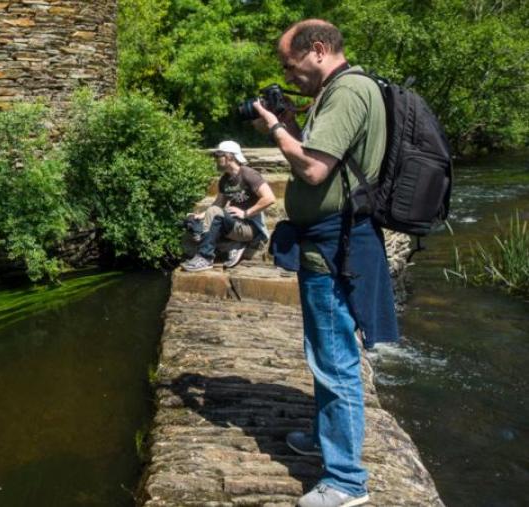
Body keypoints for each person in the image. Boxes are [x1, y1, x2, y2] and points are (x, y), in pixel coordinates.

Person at [250, 19, 399, 507]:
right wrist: (291, 123)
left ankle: (346, 482)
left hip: (336, 246)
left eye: (289, 66)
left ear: (317, 50)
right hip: (328, 242)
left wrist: (273, 128)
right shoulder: (339, 91)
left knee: (334, 360)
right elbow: (320, 158)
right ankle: (327, 438)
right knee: (325, 352)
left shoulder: (348, 92)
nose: (288, 76)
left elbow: (313, 169)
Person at [181, 140, 275, 272]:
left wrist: (246, 213)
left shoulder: (249, 174)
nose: (215, 159)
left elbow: (269, 198)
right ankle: (232, 245)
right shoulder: (225, 179)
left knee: (214, 214)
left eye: (218, 155)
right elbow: (219, 203)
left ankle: (205, 258)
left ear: (229, 156)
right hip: (233, 224)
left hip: (250, 227)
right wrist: (200, 216)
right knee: (191, 221)